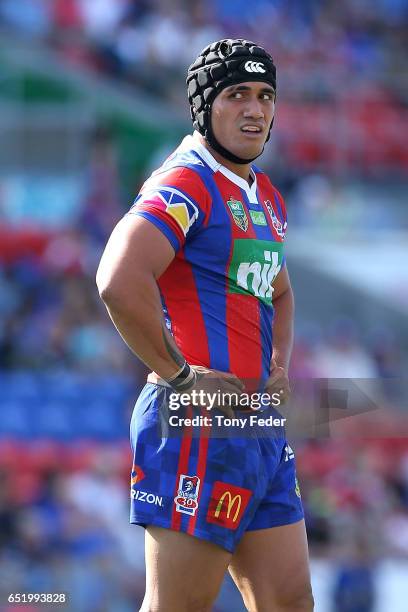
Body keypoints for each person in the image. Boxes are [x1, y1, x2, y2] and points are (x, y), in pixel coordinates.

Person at [97, 38, 313, 612]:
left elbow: (281, 290)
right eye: (236, 94)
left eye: (266, 95)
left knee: (290, 602)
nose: (255, 108)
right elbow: (118, 278)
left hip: (259, 427)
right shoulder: (185, 181)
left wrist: (280, 365)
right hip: (196, 422)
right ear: (204, 106)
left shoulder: (264, 193)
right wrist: (182, 378)